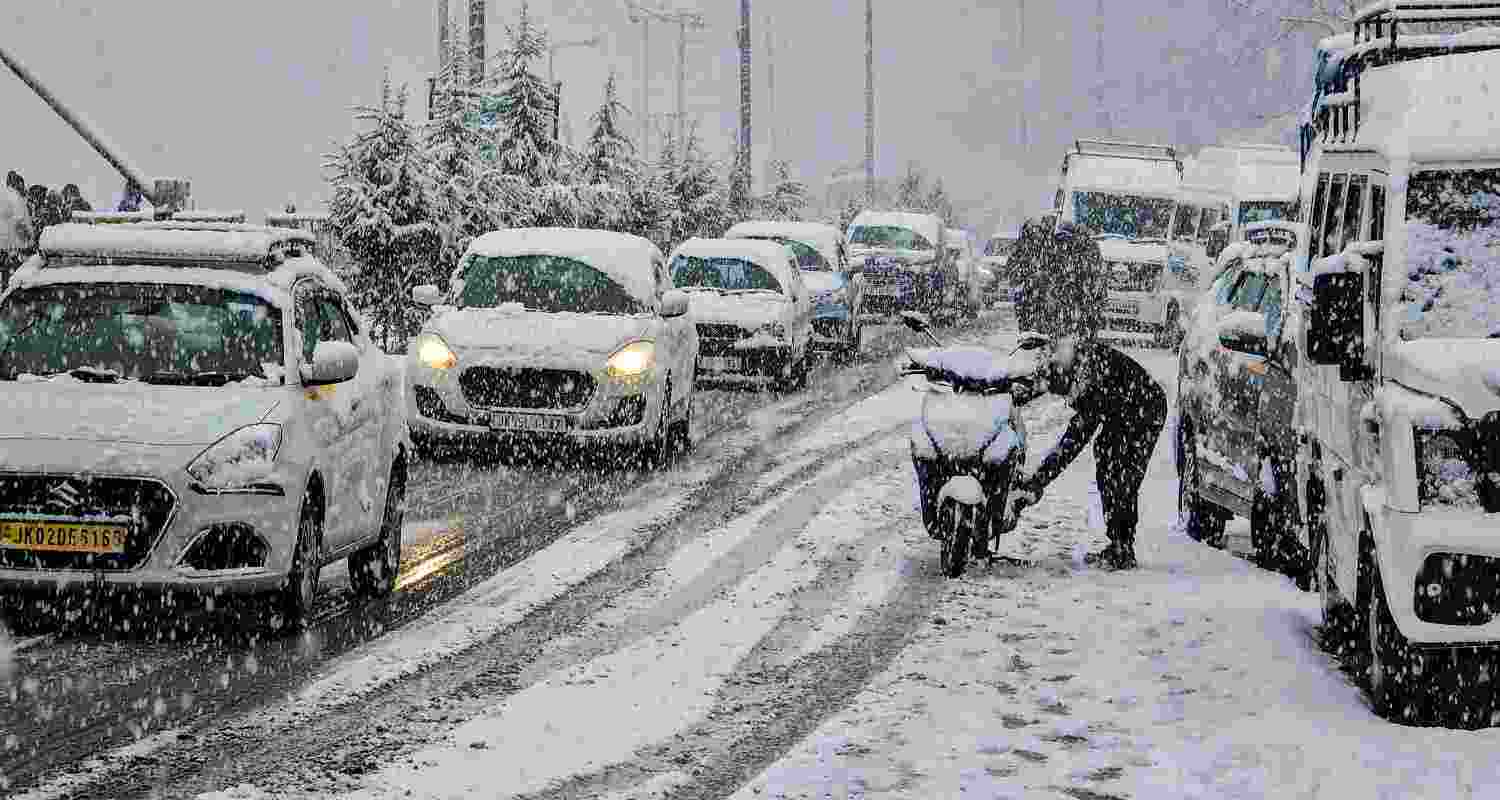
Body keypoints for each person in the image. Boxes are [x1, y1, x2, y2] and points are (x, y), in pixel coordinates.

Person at [1009, 333, 1167, 570]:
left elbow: (1072, 443)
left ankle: (1122, 547)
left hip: (1145, 411)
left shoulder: (1089, 383)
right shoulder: (1071, 361)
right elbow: (1047, 382)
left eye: (1061, 392)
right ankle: (1119, 543)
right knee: (1107, 458)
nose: (1061, 397)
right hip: (1123, 408)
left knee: (1120, 474)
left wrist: (1038, 481)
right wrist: (1017, 397)